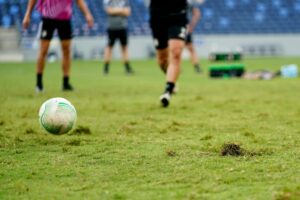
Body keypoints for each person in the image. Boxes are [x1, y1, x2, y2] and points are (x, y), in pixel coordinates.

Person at [22, 0, 94, 92]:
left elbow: (79, 1)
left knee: (66, 50)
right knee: (43, 50)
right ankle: (39, 84)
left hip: (65, 18)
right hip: (48, 17)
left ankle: (66, 83)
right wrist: (27, 14)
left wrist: (87, 14)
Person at [149, 0, 188, 107]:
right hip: (158, 14)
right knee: (162, 60)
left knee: (176, 52)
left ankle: (168, 91)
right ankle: (171, 79)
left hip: (178, 13)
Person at [103, 0, 134, 75]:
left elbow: (128, 12)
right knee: (109, 47)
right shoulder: (108, 1)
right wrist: (121, 10)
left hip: (122, 27)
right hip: (112, 28)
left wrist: (115, 10)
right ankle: (106, 68)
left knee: (124, 47)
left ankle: (127, 68)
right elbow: (109, 11)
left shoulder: (125, 1)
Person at [186, 0, 202, 73]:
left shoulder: (188, 3)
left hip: (184, 28)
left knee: (191, 49)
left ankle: (197, 67)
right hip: (175, 28)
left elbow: (197, 13)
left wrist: (191, 26)